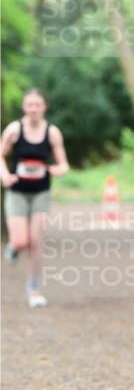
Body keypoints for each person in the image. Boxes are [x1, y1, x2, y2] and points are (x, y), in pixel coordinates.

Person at [1, 89, 69, 307]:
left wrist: (59, 170)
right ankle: (12, 247)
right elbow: (1, 155)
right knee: (21, 240)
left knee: (36, 243)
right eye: (29, 105)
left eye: (37, 105)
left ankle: (33, 289)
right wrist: (4, 175)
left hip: (41, 192)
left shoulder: (52, 133)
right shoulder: (14, 130)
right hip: (17, 192)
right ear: (24, 107)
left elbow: (63, 163)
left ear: (44, 107)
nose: (33, 109)